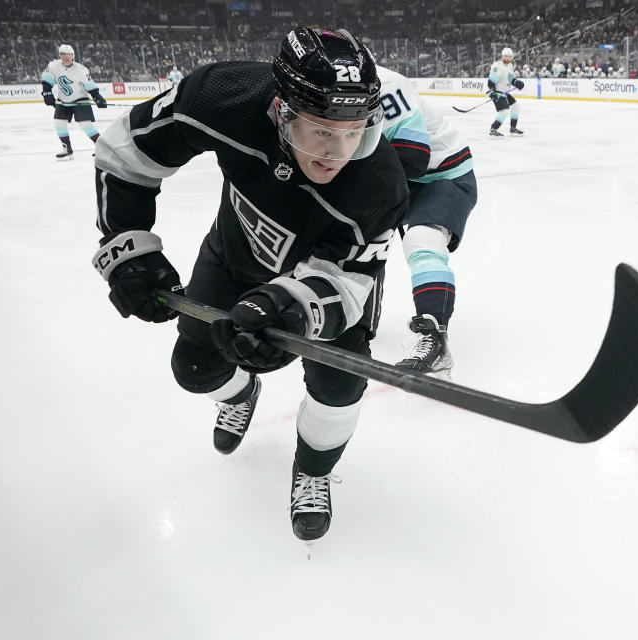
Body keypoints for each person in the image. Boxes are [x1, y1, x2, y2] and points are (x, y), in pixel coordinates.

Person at [91, 27, 408, 542]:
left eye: (355, 132)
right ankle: (240, 394)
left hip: (323, 287)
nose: (337, 153)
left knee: (338, 387)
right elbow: (126, 150)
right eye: (318, 132)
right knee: (194, 371)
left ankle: (313, 469)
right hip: (233, 257)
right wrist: (126, 245)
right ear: (280, 111)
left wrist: (289, 308)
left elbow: (347, 283)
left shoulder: (378, 186)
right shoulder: (220, 95)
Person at [376, 65, 477, 378]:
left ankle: (435, 337)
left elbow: (413, 157)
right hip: (397, 181)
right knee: (358, 242)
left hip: (444, 176)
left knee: (422, 241)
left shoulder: (387, 84)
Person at [41, 44, 107, 160]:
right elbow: (47, 81)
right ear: (59, 55)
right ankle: (67, 149)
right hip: (63, 102)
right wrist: (47, 93)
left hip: (80, 100)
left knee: (85, 125)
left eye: (69, 54)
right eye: (63, 54)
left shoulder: (81, 69)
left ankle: (102, 148)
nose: (66, 57)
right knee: (59, 124)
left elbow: (90, 85)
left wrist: (97, 97)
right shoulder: (53, 66)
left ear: (73, 56)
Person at [487, 47, 525, 137]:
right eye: (506, 56)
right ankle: (493, 129)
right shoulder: (498, 65)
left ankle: (513, 128)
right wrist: (493, 92)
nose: (508, 58)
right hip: (497, 92)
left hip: (505, 92)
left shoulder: (510, 66)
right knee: (504, 110)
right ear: (503, 56)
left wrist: (517, 83)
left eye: (509, 57)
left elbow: (511, 79)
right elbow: (491, 81)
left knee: (515, 106)